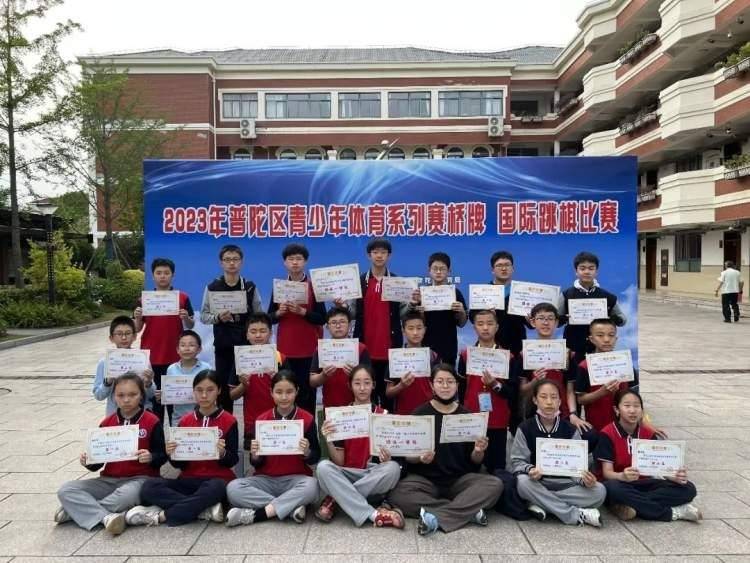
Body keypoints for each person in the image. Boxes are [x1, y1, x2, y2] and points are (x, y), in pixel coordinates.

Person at [386, 364, 504, 536]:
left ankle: (435, 516)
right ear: (432, 385)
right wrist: (420, 458)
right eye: (440, 381)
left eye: (450, 381)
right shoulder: (419, 414)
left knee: (494, 484)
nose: (445, 386)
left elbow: (475, 461)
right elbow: (408, 456)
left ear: (457, 385)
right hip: (425, 480)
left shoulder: (468, 416)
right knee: (397, 494)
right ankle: (467, 511)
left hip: (460, 480)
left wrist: (478, 451)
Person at [55, 373, 167, 535]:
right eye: (121, 395)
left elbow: (163, 455)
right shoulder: (107, 423)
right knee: (66, 490)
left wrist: (151, 457)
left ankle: (76, 512)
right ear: (114, 397)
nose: (126, 400)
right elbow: (97, 464)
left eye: (132, 394)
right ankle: (106, 517)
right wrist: (88, 460)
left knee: (125, 498)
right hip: (108, 480)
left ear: (141, 395)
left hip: (139, 479)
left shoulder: (152, 421)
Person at [125, 370, 239, 527]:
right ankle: (203, 510)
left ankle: (162, 516)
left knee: (216, 488)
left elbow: (233, 460)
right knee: (149, 486)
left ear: (219, 390)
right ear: (193, 392)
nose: (204, 395)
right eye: (199, 390)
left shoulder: (229, 420)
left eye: (210, 390)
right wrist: (172, 453)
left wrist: (223, 453)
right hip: (188, 479)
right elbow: (180, 465)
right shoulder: (185, 421)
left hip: (217, 479)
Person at [225, 370, 320, 526]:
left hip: (296, 479)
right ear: (271, 392)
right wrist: (255, 455)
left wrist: (307, 452)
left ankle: (258, 514)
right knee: (233, 488)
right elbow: (256, 464)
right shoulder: (262, 420)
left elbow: (316, 456)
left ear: (297, 391)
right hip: (265, 480)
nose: (284, 397)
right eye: (279, 392)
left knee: (312, 486)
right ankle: (291, 508)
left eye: (289, 392)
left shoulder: (307, 419)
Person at [316, 364, 404, 527]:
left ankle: (336, 498)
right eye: (357, 383)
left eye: (367, 383)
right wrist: (328, 438)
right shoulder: (340, 416)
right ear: (350, 386)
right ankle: (373, 514)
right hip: (347, 474)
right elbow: (340, 462)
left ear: (373, 385)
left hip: (372, 475)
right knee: (323, 467)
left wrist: (386, 459)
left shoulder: (383, 415)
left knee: (392, 468)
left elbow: (388, 460)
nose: (362, 388)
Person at [510, 378, 605, 527]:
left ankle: (539, 503)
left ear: (560, 401)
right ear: (535, 400)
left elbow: (578, 468)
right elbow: (517, 462)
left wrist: (585, 480)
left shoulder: (570, 430)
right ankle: (575, 515)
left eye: (554, 397)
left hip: (566, 485)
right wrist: (531, 470)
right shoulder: (525, 428)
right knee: (522, 482)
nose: (549, 402)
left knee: (599, 491)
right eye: (543, 397)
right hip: (537, 483)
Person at [596, 389, 702, 522]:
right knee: (612, 489)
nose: (632, 410)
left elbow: (658, 467)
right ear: (617, 410)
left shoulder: (648, 434)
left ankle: (627, 504)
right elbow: (607, 473)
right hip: (620, 483)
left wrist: (673, 476)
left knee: (688, 488)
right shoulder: (607, 434)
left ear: (642, 410)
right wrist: (622, 476)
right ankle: (673, 513)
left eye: (636, 406)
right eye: (627, 406)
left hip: (644, 483)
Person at [200, 244, 263, 412]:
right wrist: (218, 317)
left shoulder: (249, 286)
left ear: (241, 262)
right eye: (227, 260)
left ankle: (252, 425)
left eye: (235, 259)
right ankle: (226, 425)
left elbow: (260, 316)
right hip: (223, 346)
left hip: (247, 347)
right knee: (224, 391)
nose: (232, 263)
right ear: (221, 263)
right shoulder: (212, 287)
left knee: (251, 386)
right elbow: (204, 316)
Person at [134, 257, 195, 422]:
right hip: (151, 358)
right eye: (158, 273)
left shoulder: (182, 298)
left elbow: (190, 325)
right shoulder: (144, 299)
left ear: (172, 275)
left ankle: (176, 434)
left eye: (166, 273)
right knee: (154, 403)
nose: (162, 276)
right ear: (153, 275)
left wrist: (186, 317)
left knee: (175, 403)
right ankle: (157, 436)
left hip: (176, 358)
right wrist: (137, 317)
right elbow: (137, 329)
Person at [268, 243, 326, 413]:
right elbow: (269, 318)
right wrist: (279, 312)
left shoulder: (313, 287)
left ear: (305, 261)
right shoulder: (279, 287)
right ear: (284, 262)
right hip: (285, 351)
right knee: (285, 393)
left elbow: (322, 318)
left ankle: (308, 427)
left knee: (307, 395)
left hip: (309, 351)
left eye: (299, 259)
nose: (295, 262)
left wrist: (303, 312)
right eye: (291, 259)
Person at [352, 238, 408, 408]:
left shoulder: (397, 282)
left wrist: (412, 304)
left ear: (389, 256)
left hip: (390, 350)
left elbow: (403, 314)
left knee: (388, 400)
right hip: (365, 350)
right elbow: (352, 312)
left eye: (383, 252)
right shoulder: (359, 282)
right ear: (369, 255)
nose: (379, 256)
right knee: (365, 399)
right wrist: (342, 306)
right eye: (375, 252)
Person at [459, 309, 517, 473]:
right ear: (474, 328)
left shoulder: (508, 357)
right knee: (470, 466)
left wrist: (495, 384)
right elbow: (461, 389)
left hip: (497, 419)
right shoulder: (465, 355)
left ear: (497, 327)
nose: (485, 328)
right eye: (480, 324)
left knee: (497, 467)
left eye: (490, 324)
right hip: (472, 418)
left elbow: (512, 393)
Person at [519, 303, 589, 433]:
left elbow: (570, 390)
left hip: (562, 414)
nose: (546, 323)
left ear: (556, 323)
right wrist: (535, 381)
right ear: (533, 322)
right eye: (541, 318)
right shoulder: (525, 354)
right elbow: (522, 391)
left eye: (550, 318)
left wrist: (573, 414)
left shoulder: (566, 353)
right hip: (534, 414)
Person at [229, 313, 290, 450]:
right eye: (253, 331)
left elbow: (292, 393)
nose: (258, 335)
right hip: (252, 424)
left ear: (270, 333)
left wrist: (278, 380)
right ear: (247, 335)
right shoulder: (241, 359)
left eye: (263, 331)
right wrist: (243, 385)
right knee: (255, 458)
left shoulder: (280, 358)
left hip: (279, 421)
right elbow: (232, 395)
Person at [558, 251, 626, 365]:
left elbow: (623, 320)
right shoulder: (566, 295)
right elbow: (556, 321)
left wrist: (616, 319)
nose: (587, 271)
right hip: (573, 347)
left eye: (591, 268)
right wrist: (562, 318)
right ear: (576, 271)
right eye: (582, 268)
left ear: (596, 271)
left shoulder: (608, 296)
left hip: (600, 349)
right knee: (575, 375)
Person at [575, 318, 638, 431]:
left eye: (611, 335)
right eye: (600, 335)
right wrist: (601, 392)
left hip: (625, 425)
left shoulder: (626, 363)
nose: (606, 339)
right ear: (591, 339)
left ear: (616, 338)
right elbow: (580, 399)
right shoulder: (584, 366)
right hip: (597, 425)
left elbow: (635, 396)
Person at [406, 252, 467, 367]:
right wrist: (420, 313)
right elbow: (416, 324)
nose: (438, 272)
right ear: (429, 271)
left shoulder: (455, 293)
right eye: (435, 268)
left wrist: (462, 311)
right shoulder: (421, 294)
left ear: (449, 271)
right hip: (426, 347)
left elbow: (462, 323)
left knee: (447, 377)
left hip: (448, 348)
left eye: (442, 269)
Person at [92, 316, 155, 415]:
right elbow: (98, 395)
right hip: (115, 415)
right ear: (111, 338)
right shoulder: (104, 362)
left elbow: (151, 394)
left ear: (134, 336)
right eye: (119, 334)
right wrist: (107, 383)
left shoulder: (142, 359)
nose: (124, 338)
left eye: (128, 333)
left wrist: (148, 383)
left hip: (141, 414)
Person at [310, 306, 370, 409]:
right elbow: (312, 382)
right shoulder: (322, 349)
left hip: (358, 407)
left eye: (342, 322)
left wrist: (355, 375)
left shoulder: (361, 348)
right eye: (333, 322)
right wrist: (323, 375)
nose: (338, 326)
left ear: (349, 325)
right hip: (330, 407)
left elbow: (370, 381)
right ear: (327, 327)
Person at [386, 310, 441, 415]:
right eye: (410, 328)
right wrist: (401, 385)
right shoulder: (396, 357)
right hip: (404, 413)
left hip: (428, 414)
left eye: (419, 328)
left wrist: (436, 389)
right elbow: (388, 393)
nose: (415, 332)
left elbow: (440, 386)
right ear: (403, 331)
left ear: (425, 330)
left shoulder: (433, 356)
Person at [159, 330, 211, 424]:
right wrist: (163, 394)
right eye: (183, 345)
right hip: (179, 419)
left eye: (191, 345)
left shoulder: (206, 368)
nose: (187, 348)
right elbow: (169, 394)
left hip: (202, 418)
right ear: (177, 350)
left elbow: (212, 392)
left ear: (199, 349)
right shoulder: (171, 369)